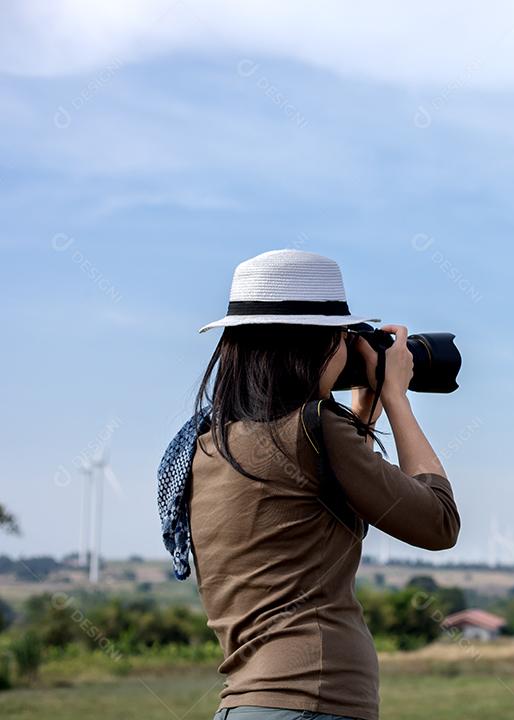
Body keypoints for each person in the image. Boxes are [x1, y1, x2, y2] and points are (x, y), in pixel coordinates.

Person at [159, 249, 460, 720]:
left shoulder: (206, 445)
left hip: (244, 706)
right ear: (317, 345)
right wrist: (396, 398)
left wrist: (360, 416)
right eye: (342, 339)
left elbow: (310, 512)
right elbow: (439, 522)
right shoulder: (314, 428)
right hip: (317, 704)